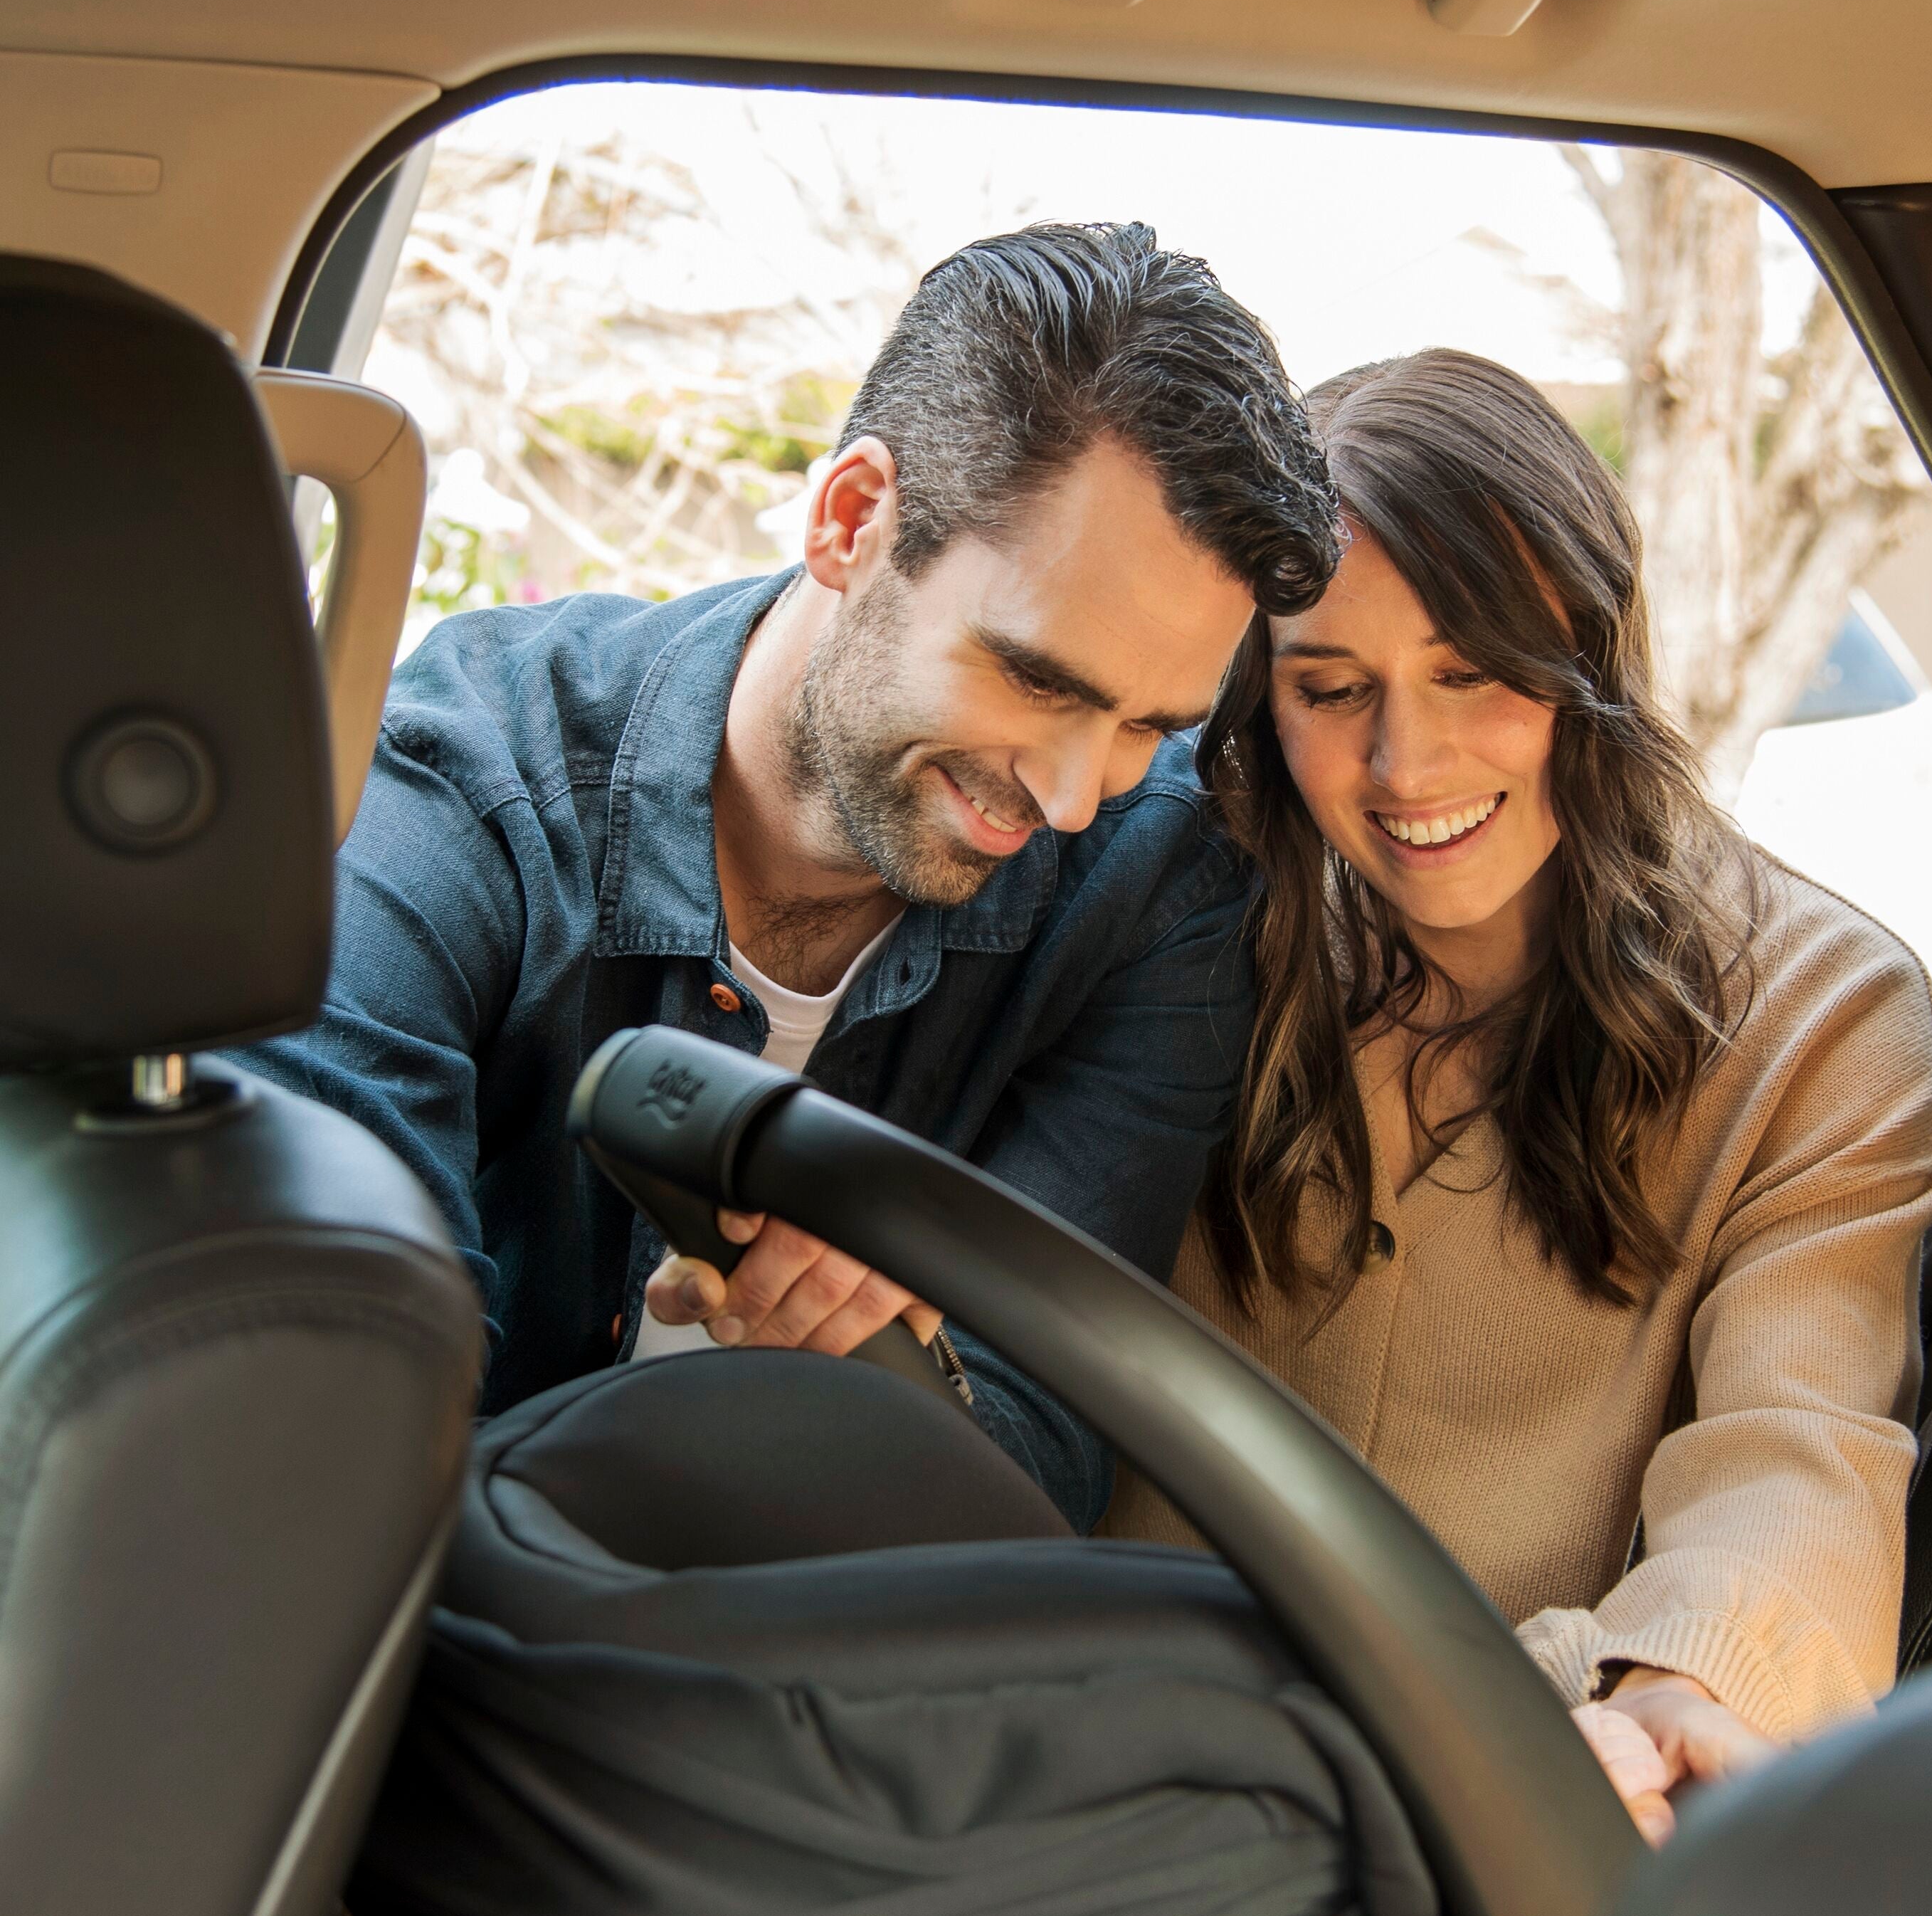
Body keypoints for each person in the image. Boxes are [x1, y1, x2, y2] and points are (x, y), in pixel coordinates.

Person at [246, 221, 1341, 1532]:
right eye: (1039, 679)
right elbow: (331, 1361)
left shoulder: (1159, 888)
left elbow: (1046, 1446)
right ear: (852, 519)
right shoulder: (464, 783)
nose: (1069, 796)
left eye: (1148, 727)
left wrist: (899, 1379)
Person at [1101, 348, 1932, 1842]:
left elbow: (1801, 1448)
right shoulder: (1181, 922)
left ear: (1592, 654)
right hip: (1092, 1753)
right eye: (1329, 687)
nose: (1402, 760)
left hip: (1491, 1789)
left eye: (1473, 673)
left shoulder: (1825, 1019)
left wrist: (1677, 1689)